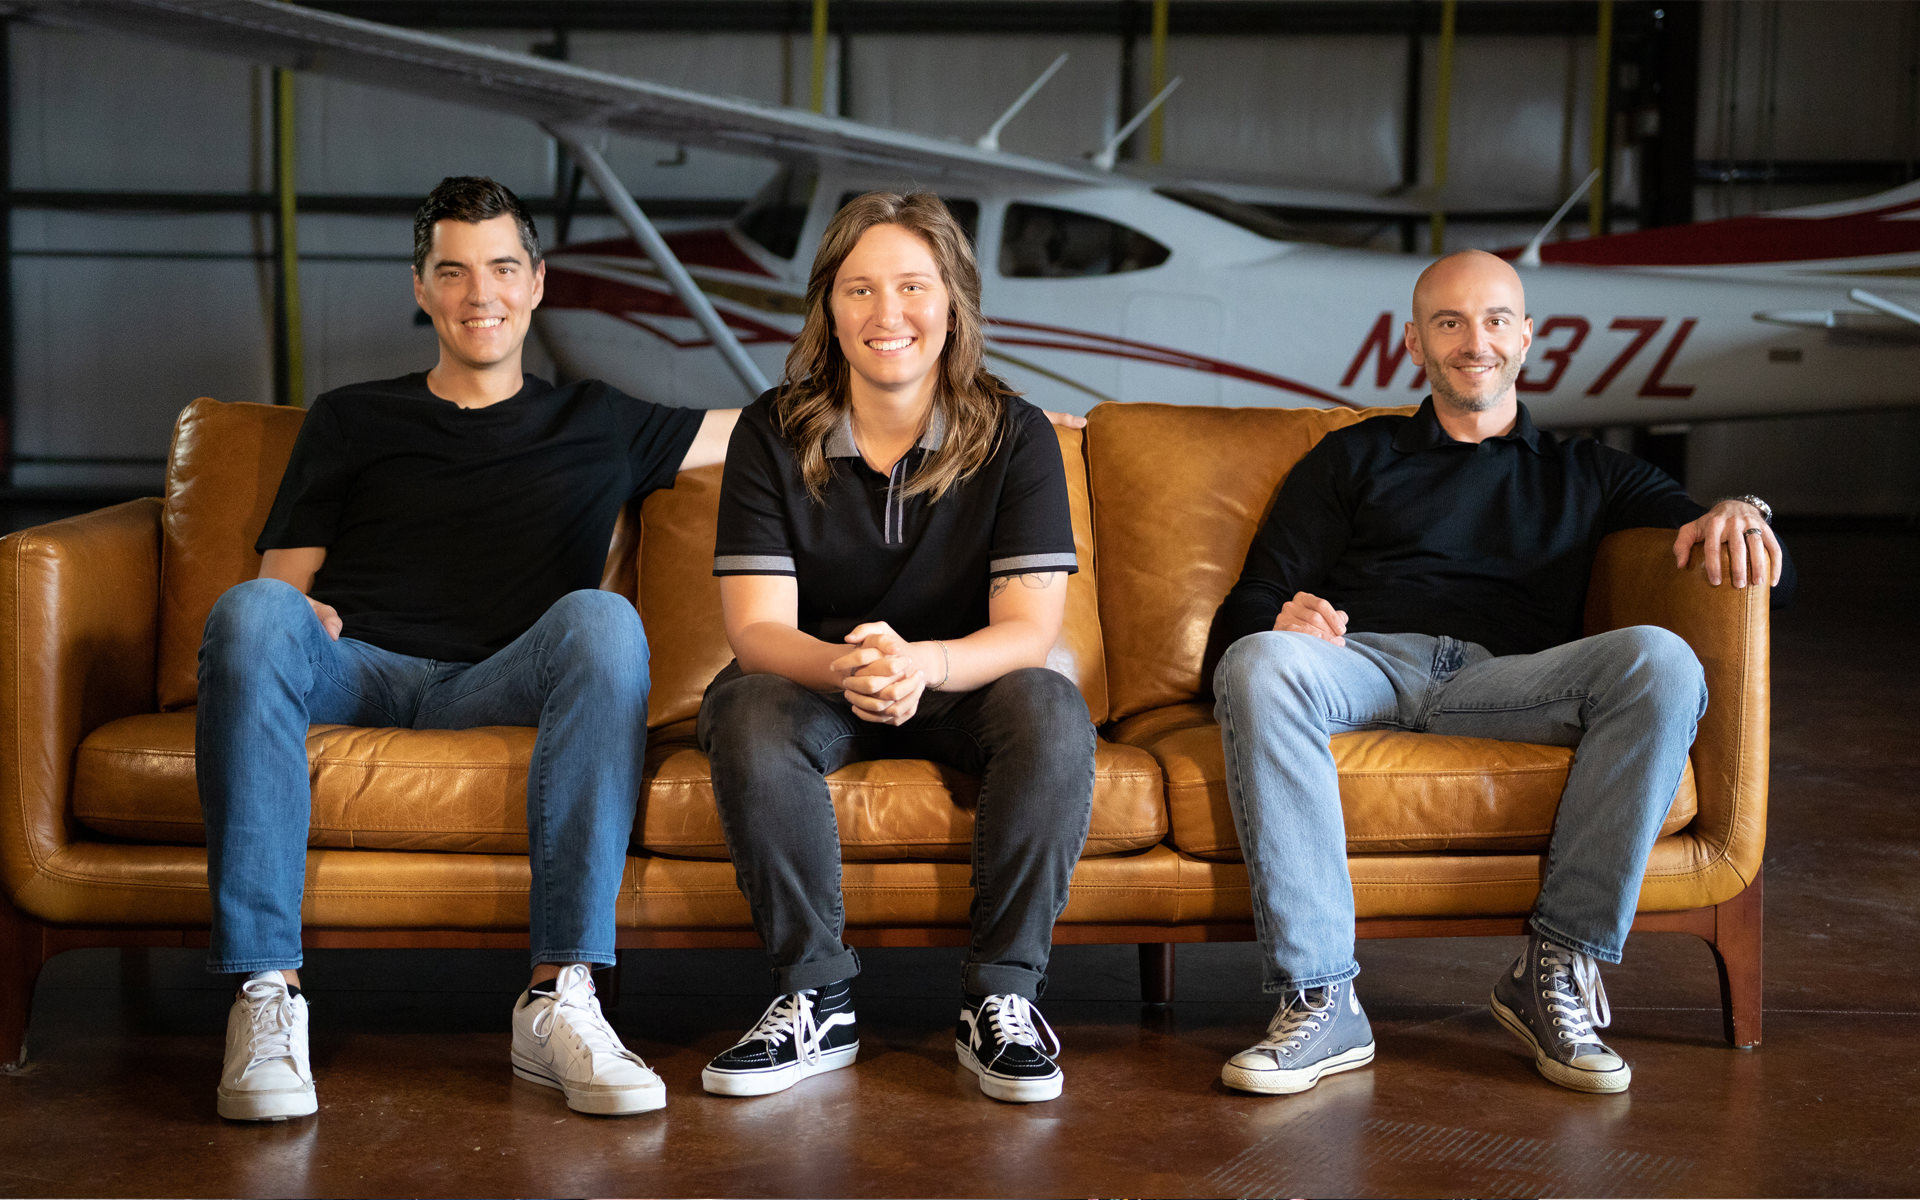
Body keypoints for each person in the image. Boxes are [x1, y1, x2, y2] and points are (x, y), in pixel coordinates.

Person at [198, 176, 739, 1121]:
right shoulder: (351, 417)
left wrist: (974, 416)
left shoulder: (602, 420)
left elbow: (782, 429)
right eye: (452, 271)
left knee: (603, 620)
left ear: (537, 281)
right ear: (421, 288)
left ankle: (558, 996)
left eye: (499, 268)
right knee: (248, 612)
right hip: (358, 665)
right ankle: (267, 998)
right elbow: (280, 582)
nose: (477, 293)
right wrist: (298, 613)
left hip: (505, 677)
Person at [1207, 249, 1792, 1097]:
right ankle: (1323, 999)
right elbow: (1244, 608)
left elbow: (1776, 578)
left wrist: (1746, 510)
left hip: (1513, 683)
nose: (1471, 341)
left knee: (1662, 659)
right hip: (1363, 665)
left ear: (1527, 339)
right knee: (1259, 662)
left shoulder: (1588, 472)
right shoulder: (1351, 458)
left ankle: (1556, 969)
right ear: (1413, 342)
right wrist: (1279, 618)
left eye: (1492, 321)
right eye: (1448, 322)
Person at [696, 192, 1094, 1104]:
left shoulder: (1015, 432)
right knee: (744, 707)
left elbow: (1029, 630)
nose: (887, 314)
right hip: (816, 676)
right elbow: (758, 631)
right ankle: (815, 998)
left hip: (965, 677)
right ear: (827, 309)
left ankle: (1001, 998)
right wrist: (853, 666)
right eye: (859, 289)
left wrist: (925, 664)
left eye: (913, 286)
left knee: (1049, 701)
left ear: (952, 303)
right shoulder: (772, 429)